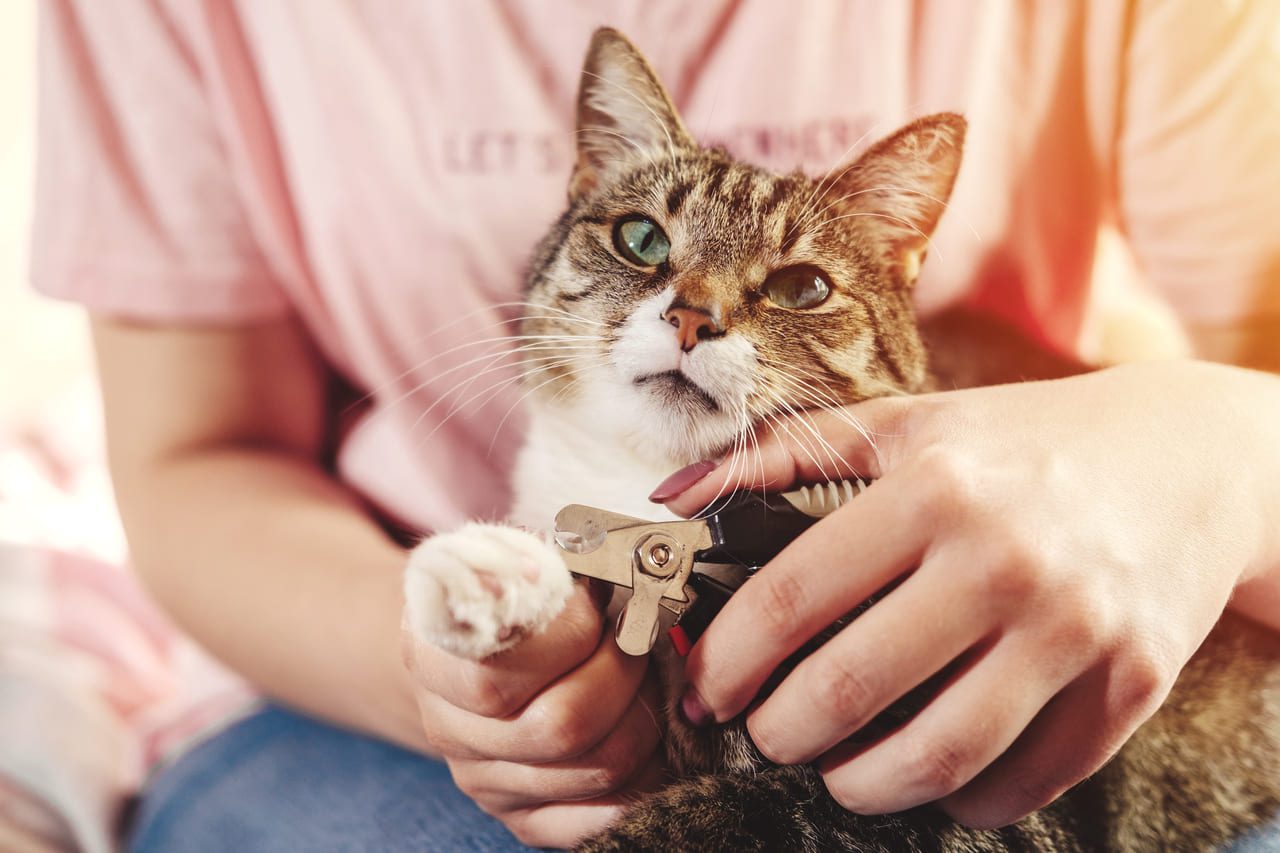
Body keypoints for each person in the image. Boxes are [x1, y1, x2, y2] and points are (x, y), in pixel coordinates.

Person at [31, 1, 1280, 850]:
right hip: (364, 653)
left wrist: (1213, 444)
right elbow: (199, 450)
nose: (693, 317)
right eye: (640, 241)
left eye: (789, 287)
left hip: (1056, 550)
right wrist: (466, 686)